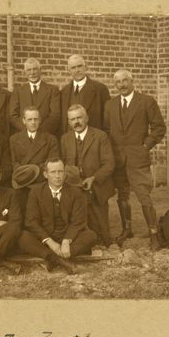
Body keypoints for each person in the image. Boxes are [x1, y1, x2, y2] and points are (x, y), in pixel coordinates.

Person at [104, 69, 166, 250]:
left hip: (138, 158)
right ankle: (127, 229)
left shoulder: (146, 102)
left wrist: (145, 146)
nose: (122, 85)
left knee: (144, 196)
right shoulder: (110, 105)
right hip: (118, 160)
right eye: (118, 82)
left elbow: (159, 128)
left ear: (132, 81)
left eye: (125, 81)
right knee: (122, 196)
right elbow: (107, 130)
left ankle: (154, 235)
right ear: (115, 84)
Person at [19, 158, 97, 274]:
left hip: (68, 235)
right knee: (23, 237)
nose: (57, 176)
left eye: (60, 171)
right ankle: (62, 260)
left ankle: (51, 258)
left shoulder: (76, 192)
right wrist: (49, 242)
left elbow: (79, 221)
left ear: (65, 173)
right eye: (53, 172)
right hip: (46, 237)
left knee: (91, 235)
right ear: (45, 174)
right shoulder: (36, 192)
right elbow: (31, 221)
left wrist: (66, 241)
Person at [60, 104, 115, 246]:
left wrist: (94, 178)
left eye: (79, 117)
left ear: (87, 118)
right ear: (68, 122)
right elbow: (63, 164)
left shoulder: (100, 136)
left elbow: (109, 164)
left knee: (103, 236)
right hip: (74, 186)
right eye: (73, 119)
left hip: (96, 186)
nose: (76, 122)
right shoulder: (65, 139)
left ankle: (101, 238)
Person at [10, 106, 60, 186]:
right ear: (24, 121)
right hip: (22, 181)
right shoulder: (14, 139)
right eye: (29, 119)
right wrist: (23, 175)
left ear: (39, 120)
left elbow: (52, 164)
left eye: (35, 119)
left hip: (42, 182)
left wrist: (34, 172)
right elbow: (14, 162)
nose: (33, 122)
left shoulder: (50, 139)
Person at [9, 57, 61, 135]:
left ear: (40, 70)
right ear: (25, 72)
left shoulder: (52, 90)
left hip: (46, 135)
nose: (32, 73)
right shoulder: (18, 91)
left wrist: (40, 132)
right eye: (29, 70)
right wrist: (28, 131)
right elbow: (13, 116)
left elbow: (55, 115)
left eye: (35, 69)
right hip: (24, 136)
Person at [60, 54, 110, 135]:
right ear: (68, 70)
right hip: (70, 140)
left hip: (93, 138)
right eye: (73, 68)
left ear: (86, 67)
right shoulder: (64, 92)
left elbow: (107, 120)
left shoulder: (100, 89)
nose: (77, 70)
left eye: (79, 66)